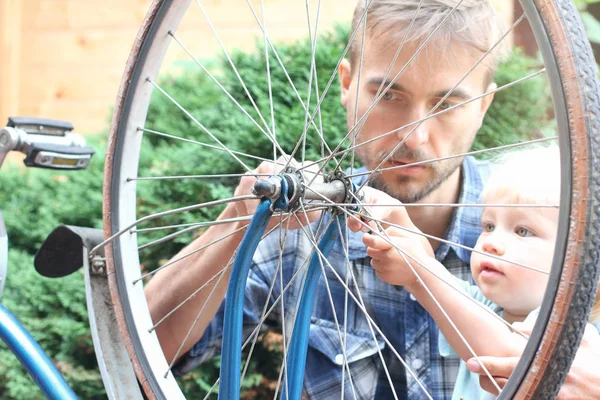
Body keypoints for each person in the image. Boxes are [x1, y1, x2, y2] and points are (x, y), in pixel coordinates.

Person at [142, 1, 557, 398]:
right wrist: (236, 222)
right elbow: (141, 348)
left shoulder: (547, 231)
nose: (414, 137)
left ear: (484, 105)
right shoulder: (302, 226)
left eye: (447, 104)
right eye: (388, 95)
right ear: (346, 84)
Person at [354, 146, 600, 399]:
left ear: (582, 261)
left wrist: (420, 274)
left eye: (522, 231)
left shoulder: (575, 333)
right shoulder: (485, 306)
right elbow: (438, 283)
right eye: (489, 225)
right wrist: (397, 221)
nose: (490, 243)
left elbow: (509, 358)